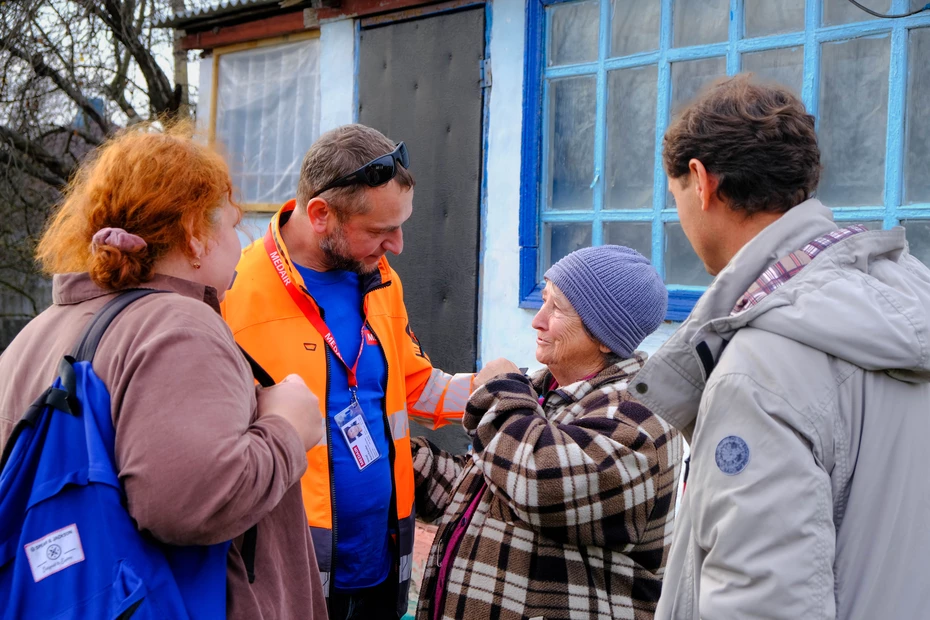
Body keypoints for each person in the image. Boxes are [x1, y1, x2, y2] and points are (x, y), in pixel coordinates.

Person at [630, 74, 930, 619]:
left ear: (701, 182)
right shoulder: (908, 296)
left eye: (673, 197)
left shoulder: (761, 368)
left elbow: (761, 601)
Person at [0, 125, 328, 619]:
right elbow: (192, 501)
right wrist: (288, 428)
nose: (240, 240)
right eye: (232, 225)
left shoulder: (38, 331)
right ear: (195, 233)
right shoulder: (179, 324)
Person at [222, 124, 477, 620]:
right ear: (320, 215)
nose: (398, 246)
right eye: (382, 231)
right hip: (288, 571)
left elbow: (413, 387)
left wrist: (501, 391)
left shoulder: (380, 278)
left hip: (385, 561)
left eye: (401, 226)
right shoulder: (232, 289)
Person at [412, 245, 683, 620]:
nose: (537, 320)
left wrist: (502, 390)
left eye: (557, 309)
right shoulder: (542, 391)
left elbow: (538, 482)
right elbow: (490, 492)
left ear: (606, 337)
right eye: (543, 301)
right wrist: (404, 463)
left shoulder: (640, 418)